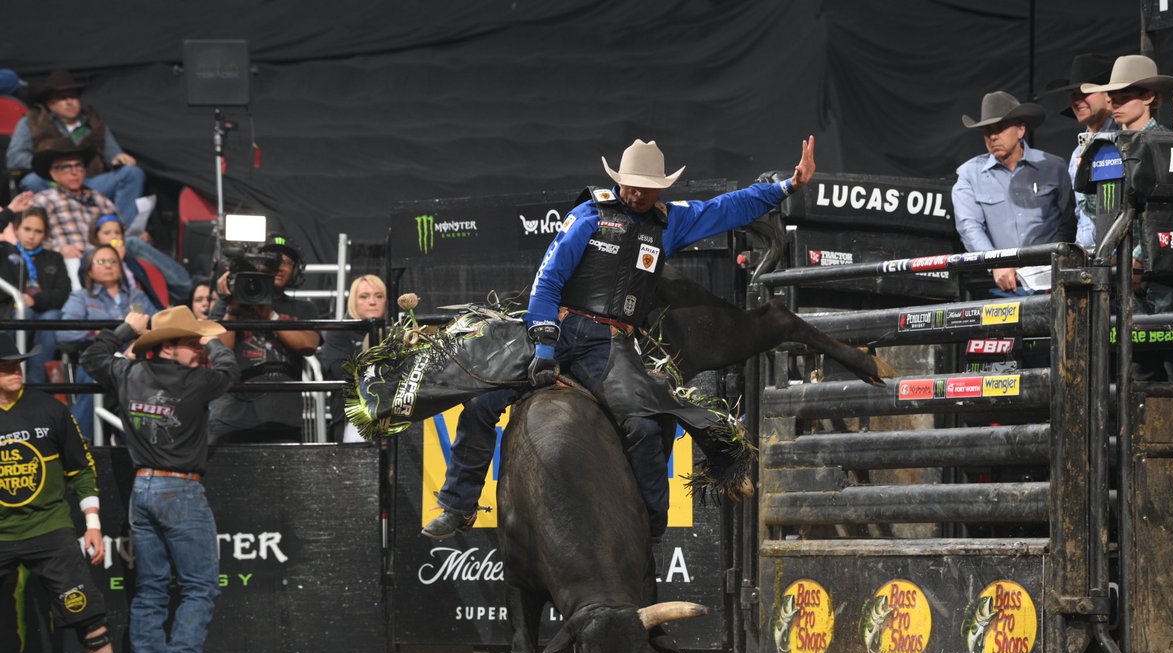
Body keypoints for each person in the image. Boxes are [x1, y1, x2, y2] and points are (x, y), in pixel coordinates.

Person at [422, 137, 817, 539]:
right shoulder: (589, 216)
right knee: (480, 404)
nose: (637, 193)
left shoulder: (669, 222)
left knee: (644, 427)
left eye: (646, 187)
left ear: (660, 188)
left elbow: (726, 209)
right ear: (619, 181)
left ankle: (650, 528)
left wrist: (787, 187)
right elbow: (549, 277)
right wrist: (543, 341)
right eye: (631, 184)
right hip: (557, 328)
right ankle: (458, 505)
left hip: (608, 341)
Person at [82, 306, 237, 653]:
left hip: (143, 487)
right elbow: (230, 372)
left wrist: (124, 330)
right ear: (167, 348)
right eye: (190, 342)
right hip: (180, 489)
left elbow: (91, 358)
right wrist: (216, 342)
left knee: (150, 590)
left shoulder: (129, 374)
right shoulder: (197, 381)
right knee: (200, 586)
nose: (197, 348)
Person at [0, 332, 149, 653]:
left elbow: (80, 469)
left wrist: (93, 524)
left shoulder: (48, 409)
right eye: (5, 365)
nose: (15, 370)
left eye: (17, 363)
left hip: (50, 528)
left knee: (85, 610)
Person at [1082, 55, 1173, 379]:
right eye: (1113, 96)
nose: (1115, 103)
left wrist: (1139, 258)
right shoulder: (1107, 146)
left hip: (1164, 274)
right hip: (1125, 275)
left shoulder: (1172, 144)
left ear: (1149, 97)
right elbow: (1098, 209)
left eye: (1125, 95)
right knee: (1137, 370)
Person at [952, 91, 1075, 296]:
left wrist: (1053, 268)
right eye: (987, 130)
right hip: (999, 287)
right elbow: (969, 226)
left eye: (1000, 128)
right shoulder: (969, 174)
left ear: (1020, 130)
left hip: (1050, 283)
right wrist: (995, 263)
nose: (993, 136)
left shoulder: (1054, 167)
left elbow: (1068, 223)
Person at [207, 232, 321, 444]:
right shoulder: (227, 304)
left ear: (296, 270)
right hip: (233, 416)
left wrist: (270, 315)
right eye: (271, 259)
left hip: (283, 419)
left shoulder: (304, 308)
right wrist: (233, 305)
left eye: (286, 261)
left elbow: (308, 345)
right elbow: (220, 350)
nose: (278, 266)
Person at [5, 70, 145, 228]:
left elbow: (113, 153)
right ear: (50, 103)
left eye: (73, 96)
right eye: (63, 98)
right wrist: (47, 165)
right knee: (31, 181)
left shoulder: (93, 122)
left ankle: (120, 231)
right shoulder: (31, 121)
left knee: (132, 173)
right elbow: (14, 158)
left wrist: (119, 157)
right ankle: (49, 232)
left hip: (90, 183)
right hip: (52, 182)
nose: (70, 102)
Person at [56, 245, 153, 439]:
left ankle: (130, 445)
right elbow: (64, 333)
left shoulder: (137, 296)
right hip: (98, 359)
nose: (109, 266)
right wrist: (100, 333)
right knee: (95, 374)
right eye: (101, 261)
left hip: (135, 359)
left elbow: (158, 324)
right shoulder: (81, 297)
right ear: (89, 269)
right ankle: (79, 440)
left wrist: (137, 344)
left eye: (113, 261)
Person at [1043, 54, 1117, 249]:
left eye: (1085, 92)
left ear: (1108, 95)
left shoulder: (1120, 141)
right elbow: (1073, 216)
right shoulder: (1077, 150)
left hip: (1116, 256)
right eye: (1074, 94)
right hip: (1086, 257)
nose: (1077, 100)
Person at [1, 199, 71, 383]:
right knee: (25, 313)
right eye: (27, 229)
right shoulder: (4, 252)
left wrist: (35, 298)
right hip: (11, 314)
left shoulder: (54, 258)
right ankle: (9, 372)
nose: (32, 236)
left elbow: (63, 292)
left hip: (44, 315)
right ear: (16, 229)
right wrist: (9, 212)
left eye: (38, 231)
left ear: (46, 234)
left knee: (52, 317)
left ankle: (35, 382)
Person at [316, 274, 386, 442]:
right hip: (351, 418)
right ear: (352, 302)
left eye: (379, 296)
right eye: (364, 296)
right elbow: (345, 374)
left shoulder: (395, 333)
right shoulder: (338, 333)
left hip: (392, 417)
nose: (372, 302)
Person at [29, 139, 119, 261]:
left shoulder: (100, 200)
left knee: (134, 242)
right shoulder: (43, 200)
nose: (74, 172)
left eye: (78, 166)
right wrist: (58, 249)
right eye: (66, 167)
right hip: (66, 261)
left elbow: (118, 234)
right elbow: (30, 237)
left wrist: (118, 243)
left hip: (102, 260)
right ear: (54, 174)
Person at [89, 213, 195, 306]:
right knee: (133, 243)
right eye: (107, 233)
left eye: (117, 233)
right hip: (111, 305)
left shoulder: (130, 260)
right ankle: (190, 286)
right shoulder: (90, 256)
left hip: (141, 303)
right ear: (96, 237)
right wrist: (117, 260)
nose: (114, 237)